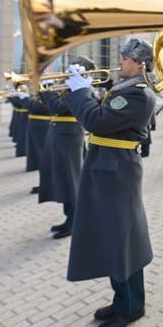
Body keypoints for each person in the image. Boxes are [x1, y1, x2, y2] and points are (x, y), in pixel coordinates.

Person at [62, 38, 156, 327]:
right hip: (107, 167)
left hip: (117, 171)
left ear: (139, 64)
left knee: (123, 241)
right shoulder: (124, 89)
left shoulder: (138, 94)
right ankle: (121, 300)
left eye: (125, 58)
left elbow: (96, 120)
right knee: (113, 239)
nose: (120, 61)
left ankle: (132, 307)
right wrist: (86, 88)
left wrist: (82, 92)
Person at [38, 57, 95, 240]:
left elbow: (57, 106)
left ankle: (74, 221)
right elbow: (50, 105)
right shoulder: (69, 87)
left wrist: (48, 88)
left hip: (69, 136)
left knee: (71, 179)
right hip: (61, 134)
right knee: (63, 179)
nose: (68, 72)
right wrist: (44, 88)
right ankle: (68, 217)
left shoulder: (81, 89)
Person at [18, 90, 52, 194]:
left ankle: (46, 186)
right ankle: (45, 184)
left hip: (43, 127)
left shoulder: (50, 92)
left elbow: (36, 108)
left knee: (42, 157)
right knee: (39, 157)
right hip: (39, 126)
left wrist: (25, 99)